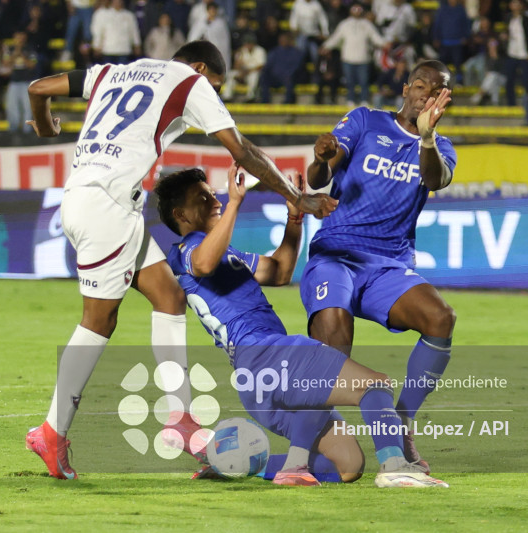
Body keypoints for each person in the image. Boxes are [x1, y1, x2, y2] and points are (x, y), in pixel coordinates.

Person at [24, 40, 337, 480]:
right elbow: (241, 150)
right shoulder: (189, 82)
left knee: (169, 294)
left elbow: (39, 88)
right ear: (201, 68)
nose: (214, 95)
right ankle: (52, 432)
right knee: (98, 320)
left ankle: (181, 417)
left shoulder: (113, 72)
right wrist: (296, 197)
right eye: (216, 85)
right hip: (105, 205)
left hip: (100, 201)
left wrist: (44, 127)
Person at [155, 164, 448, 488]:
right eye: (203, 197)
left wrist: (294, 219)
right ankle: (396, 467)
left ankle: (234, 462)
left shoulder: (224, 253)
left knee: (348, 465)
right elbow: (204, 262)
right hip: (268, 353)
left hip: (255, 380)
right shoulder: (184, 251)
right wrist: (236, 203)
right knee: (374, 385)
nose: (215, 200)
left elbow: (279, 271)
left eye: (213, 193)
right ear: (181, 214)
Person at [301, 60, 456, 474]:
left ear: (443, 100)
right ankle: (316, 434)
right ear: (405, 88)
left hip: (388, 265)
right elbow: (319, 177)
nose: (424, 93)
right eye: (419, 85)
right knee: (334, 335)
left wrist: (427, 137)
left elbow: (435, 179)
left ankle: (402, 424)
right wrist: (321, 158)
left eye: (434, 90)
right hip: (336, 255)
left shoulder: (442, 148)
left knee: (440, 318)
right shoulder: (366, 121)